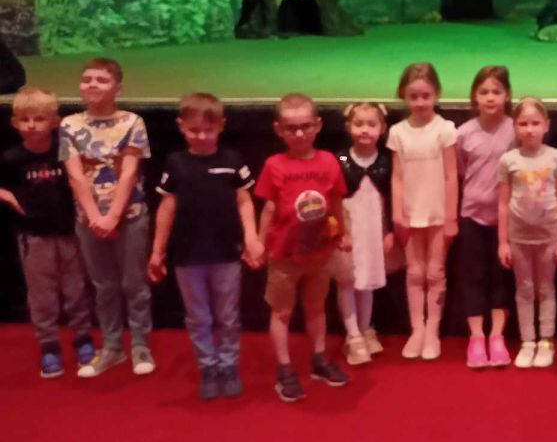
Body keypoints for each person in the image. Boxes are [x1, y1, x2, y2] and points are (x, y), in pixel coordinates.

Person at [148, 93, 263, 399]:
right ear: (181, 126)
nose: (201, 137)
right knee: (198, 317)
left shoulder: (232, 160)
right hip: (188, 256)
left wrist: (251, 238)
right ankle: (208, 367)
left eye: (208, 130)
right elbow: (167, 207)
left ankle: (228, 365)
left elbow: (244, 201)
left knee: (228, 315)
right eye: (194, 130)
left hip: (226, 253)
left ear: (221, 126)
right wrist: (157, 251)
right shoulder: (176, 163)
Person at [61, 58, 155, 379]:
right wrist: (94, 217)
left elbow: (129, 172)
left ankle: (140, 344)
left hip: (130, 216)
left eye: (101, 80)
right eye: (87, 79)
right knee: (104, 286)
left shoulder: (132, 122)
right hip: (89, 221)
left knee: (134, 284)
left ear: (118, 88)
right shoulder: (70, 125)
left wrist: (113, 216)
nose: (92, 84)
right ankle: (113, 346)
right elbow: (75, 176)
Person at [256, 93, 351, 402]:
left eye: (305, 126)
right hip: (284, 255)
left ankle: (319, 359)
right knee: (282, 312)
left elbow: (336, 201)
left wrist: (343, 233)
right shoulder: (274, 165)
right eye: (291, 127)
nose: (299, 133)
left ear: (318, 125)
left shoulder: (329, 162)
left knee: (316, 308)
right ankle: (284, 369)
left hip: (319, 252)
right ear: (279, 130)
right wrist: (258, 243)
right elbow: (269, 208)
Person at [0, 87, 94, 377]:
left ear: (55, 121)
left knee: (76, 290)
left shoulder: (65, 152)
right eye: (25, 119)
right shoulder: (11, 158)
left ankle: (83, 339)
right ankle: (49, 346)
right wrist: (10, 198)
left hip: (68, 233)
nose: (32, 125)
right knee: (42, 297)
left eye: (39, 119)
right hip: (34, 238)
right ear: (14, 123)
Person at [388, 62, 458, 361]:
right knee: (415, 273)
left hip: (438, 214)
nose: (419, 102)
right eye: (413, 96)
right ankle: (417, 330)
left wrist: (451, 217)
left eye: (425, 96)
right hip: (410, 213)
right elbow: (397, 177)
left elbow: (451, 176)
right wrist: (398, 213)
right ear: (404, 96)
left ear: (436, 94)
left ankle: (433, 330)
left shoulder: (445, 129)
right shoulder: (397, 132)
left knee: (435, 272)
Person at [498, 97, 557, 368]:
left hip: (549, 235)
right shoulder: (508, 160)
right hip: (518, 236)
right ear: (515, 127)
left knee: (546, 288)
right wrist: (503, 242)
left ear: (546, 125)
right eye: (523, 124)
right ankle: (527, 341)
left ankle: (546, 341)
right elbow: (503, 203)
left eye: (535, 123)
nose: (530, 129)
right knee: (524, 288)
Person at [456, 66, 516, 368]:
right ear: (474, 97)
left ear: (507, 95)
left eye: (496, 91)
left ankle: (497, 336)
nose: (490, 97)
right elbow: (461, 170)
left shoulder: (516, 130)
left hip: (508, 220)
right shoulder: (464, 133)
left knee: (501, 277)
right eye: (484, 92)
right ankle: (477, 337)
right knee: (474, 277)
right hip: (472, 217)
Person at [335, 102, 394, 366]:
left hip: (373, 227)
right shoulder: (341, 160)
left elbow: (391, 199)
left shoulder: (386, 160)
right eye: (359, 124)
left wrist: (389, 231)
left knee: (367, 280)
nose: (365, 130)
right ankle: (353, 334)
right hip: (350, 228)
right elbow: (333, 199)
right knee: (348, 280)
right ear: (348, 127)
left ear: (383, 128)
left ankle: (365, 327)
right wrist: (339, 231)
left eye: (371, 124)